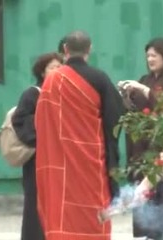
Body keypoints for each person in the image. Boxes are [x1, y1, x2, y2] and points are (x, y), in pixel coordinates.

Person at [35, 30, 124, 240]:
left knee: (62, 219)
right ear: (89, 50)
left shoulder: (51, 82)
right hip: (92, 166)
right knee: (93, 220)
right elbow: (115, 121)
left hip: (60, 166)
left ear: (65, 50)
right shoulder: (99, 78)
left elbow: (42, 125)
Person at [119, 38, 163, 240]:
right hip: (141, 154)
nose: (150, 59)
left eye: (154, 55)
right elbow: (134, 112)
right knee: (143, 211)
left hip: (162, 155)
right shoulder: (145, 78)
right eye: (148, 55)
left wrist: (144, 90)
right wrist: (127, 94)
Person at [12, 52, 63, 240]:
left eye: (60, 67)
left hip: (60, 159)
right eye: (52, 68)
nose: (57, 71)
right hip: (37, 160)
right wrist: (42, 133)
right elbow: (19, 120)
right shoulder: (32, 94)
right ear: (42, 72)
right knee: (35, 205)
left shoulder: (65, 93)